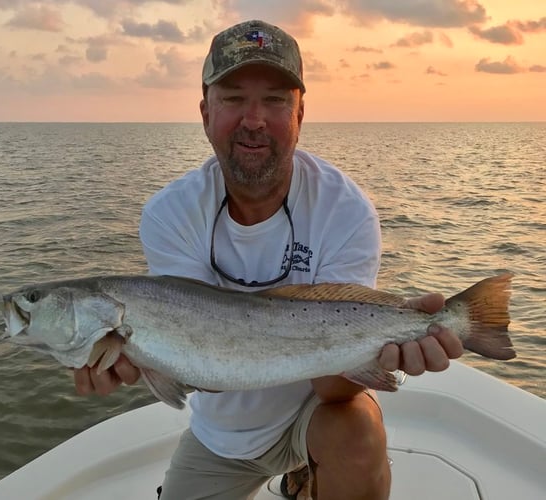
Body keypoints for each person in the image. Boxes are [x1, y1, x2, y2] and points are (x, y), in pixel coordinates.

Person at [73, 19, 463, 500]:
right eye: (233, 98)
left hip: (315, 417)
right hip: (221, 438)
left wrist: (387, 346)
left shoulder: (345, 209)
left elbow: (335, 390)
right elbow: (206, 369)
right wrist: (144, 358)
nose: (254, 119)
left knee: (356, 431)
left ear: (300, 114)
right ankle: (298, 479)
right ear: (204, 112)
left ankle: (309, 469)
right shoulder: (171, 213)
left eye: (276, 99)